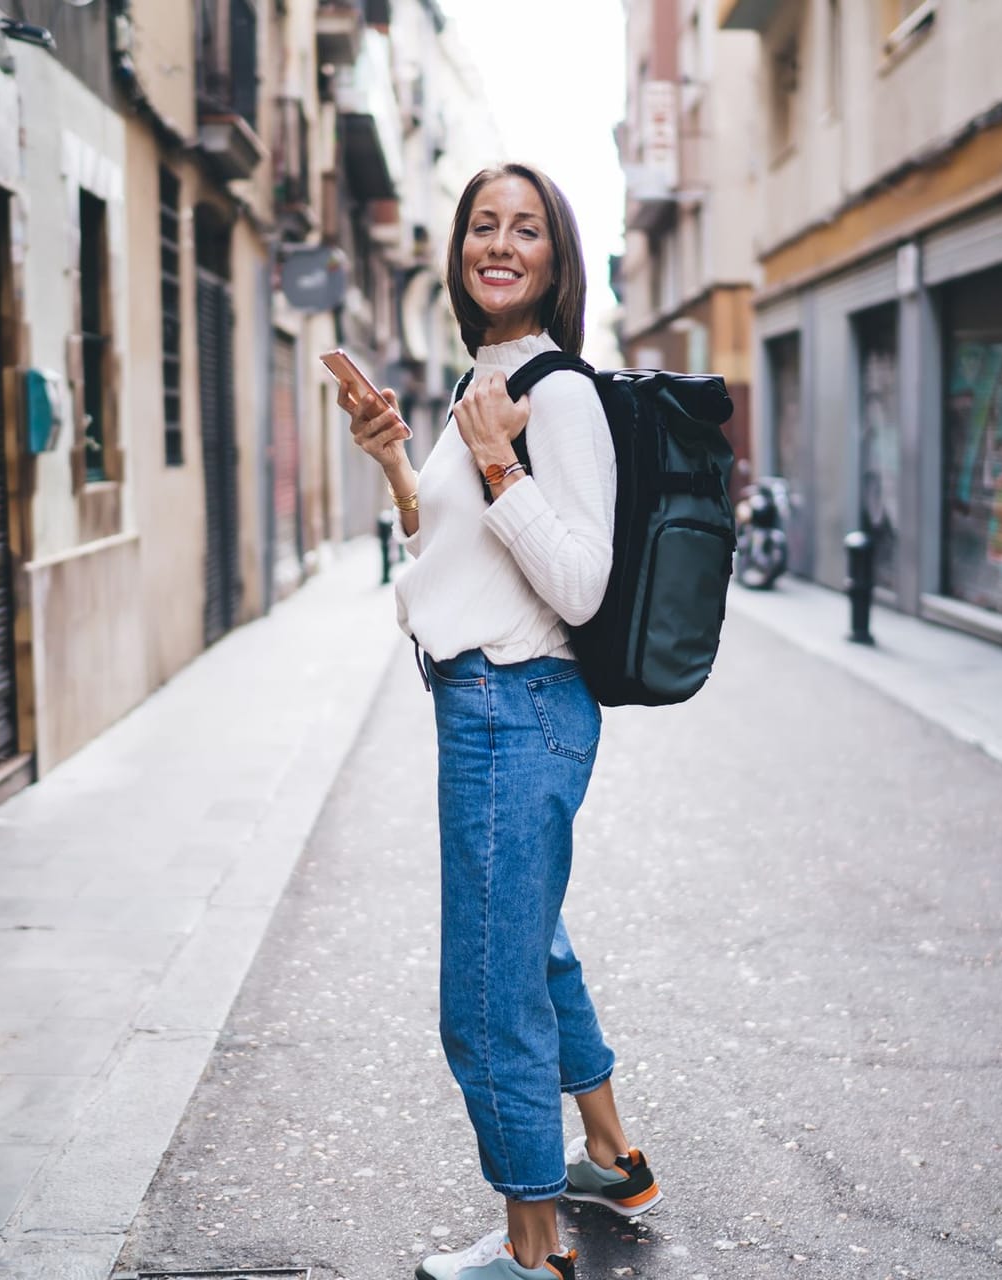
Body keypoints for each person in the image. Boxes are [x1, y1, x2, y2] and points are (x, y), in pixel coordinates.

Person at [342, 163, 661, 1280]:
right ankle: (612, 1154)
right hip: (485, 701)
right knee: (533, 944)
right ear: (460, 251)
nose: (500, 242)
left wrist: (494, 455)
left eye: (526, 228)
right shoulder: (488, 374)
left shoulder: (555, 393)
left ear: (556, 259)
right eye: (484, 224)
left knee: (487, 990)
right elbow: (450, 543)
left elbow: (578, 579)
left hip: (514, 706)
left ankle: (533, 1250)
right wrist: (397, 455)